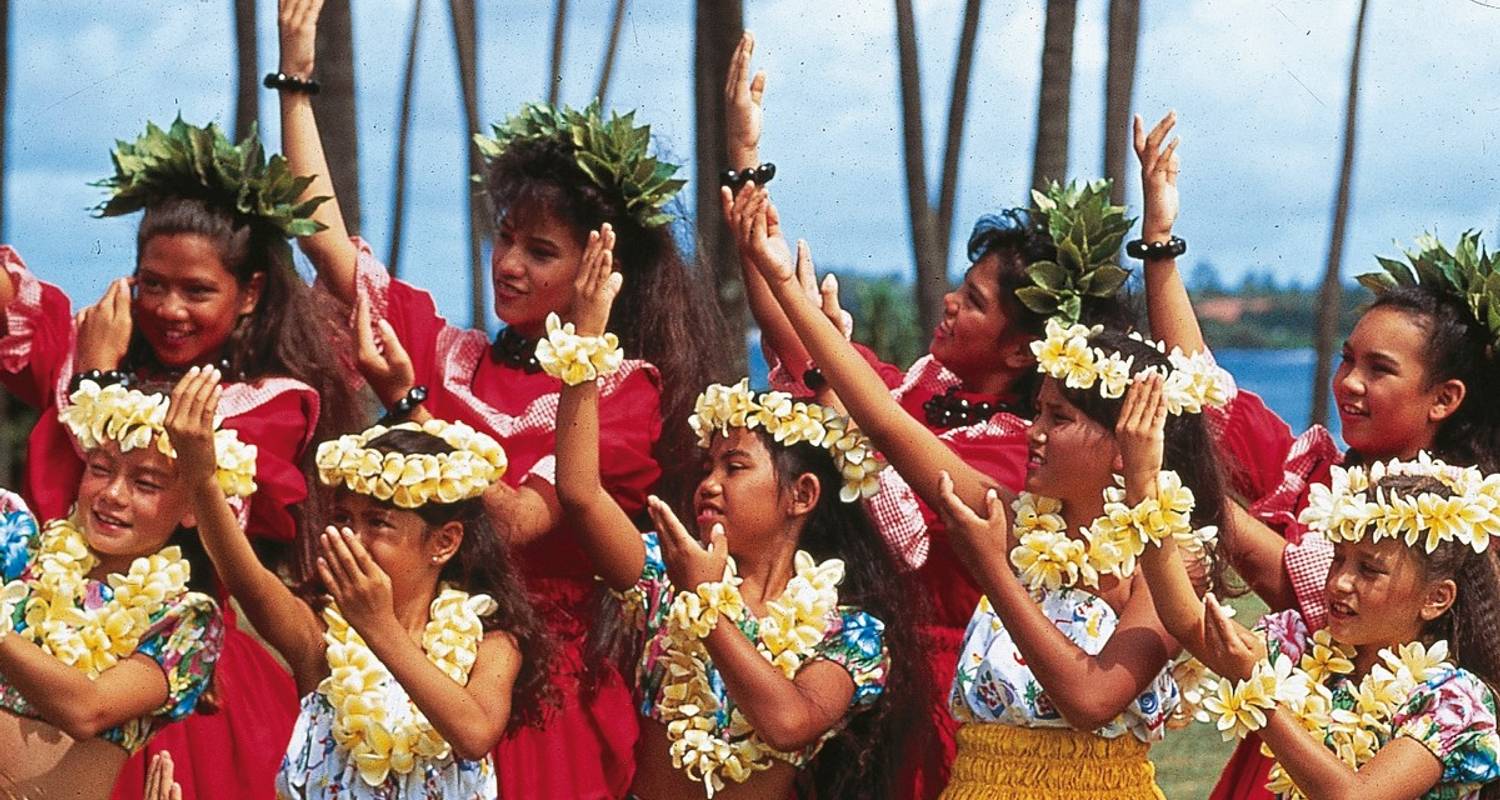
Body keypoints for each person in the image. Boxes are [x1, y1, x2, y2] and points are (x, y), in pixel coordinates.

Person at [275, 2, 728, 794]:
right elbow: (325, 242)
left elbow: (516, 520)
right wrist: (296, 79)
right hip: (410, 666)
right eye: (504, 237)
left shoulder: (619, 394)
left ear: (600, 269)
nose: (507, 264)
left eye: (540, 249)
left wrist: (410, 404)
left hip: (534, 695)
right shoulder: (451, 352)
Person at [721, 34, 1136, 796]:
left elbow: (872, 421)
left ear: (1022, 354)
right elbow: (793, 332)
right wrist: (746, 159)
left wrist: (829, 369)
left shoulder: (1027, 456)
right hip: (856, 665)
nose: (949, 301)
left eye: (974, 302)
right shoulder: (915, 386)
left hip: (959, 688)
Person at [731, 180, 1238, 797]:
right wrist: (784, 285)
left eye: (1060, 419)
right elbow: (886, 423)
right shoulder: (1025, 521)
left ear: (1121, 442)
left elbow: (1091, 697)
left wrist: (994, 569)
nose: (1035, 433)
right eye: (1040, 412)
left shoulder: (1168, 561)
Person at [1131, 110, 1500, 799]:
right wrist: (1160, 243)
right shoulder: (1317, 473)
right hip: (1276, 759)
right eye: (1346, 360)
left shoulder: (1477, 519)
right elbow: (1206, 386)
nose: (1349, 385)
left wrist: (1194, 498)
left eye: (1379, 370)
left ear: (1445, 397)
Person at [0, 116, 357, 800]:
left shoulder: (269, 403)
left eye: (197, 290)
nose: (169, 309)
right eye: (152, 283)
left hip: (167, 672)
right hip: (33, 637)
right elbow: (17, 305)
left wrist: (99, 382)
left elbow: (205, 471)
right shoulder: (91, 349)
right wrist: (94, 368)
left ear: (249, 293)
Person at [548, 226, 923, 798]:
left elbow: (789, 723)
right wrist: (586, 346)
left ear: (801, 497)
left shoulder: (849, 631)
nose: (710, 484)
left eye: (735, 467)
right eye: (708, 467)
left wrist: (707, 606)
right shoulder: (663, 573)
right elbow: (578, 493)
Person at [162, 366, 553, 799]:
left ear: (444, 542)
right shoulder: (320, 635)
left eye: (378, 523)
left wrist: (380, 626)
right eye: (343, 519)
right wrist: (201, 479)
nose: (352, 537)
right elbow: (247, 580)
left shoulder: (493, 641)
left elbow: (475, 733)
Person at [1137, 435, 1500, 798]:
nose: (1341, 582)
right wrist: (1143, 491)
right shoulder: (1302, 649)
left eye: (1370, 570)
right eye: (1338, 558)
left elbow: (1354, 797)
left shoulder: (1454, 700)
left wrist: (1259, 695)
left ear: (1436, 598)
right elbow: (1186, 621)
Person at [0, 374, 235, 798]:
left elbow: (87, 710)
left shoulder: (183, 622)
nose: (112, 494)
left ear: (191, 508)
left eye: (145, 483)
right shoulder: (15, 550)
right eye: (100, 469)